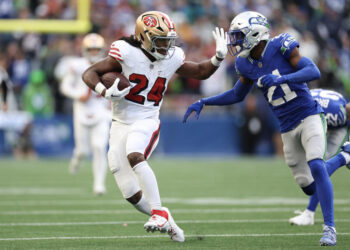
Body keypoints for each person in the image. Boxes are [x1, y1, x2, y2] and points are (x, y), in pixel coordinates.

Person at [183, 11, 341, 246]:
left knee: (316, 164)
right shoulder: (243, 63)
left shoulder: (281, 45)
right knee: (309, 187)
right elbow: (237, 94)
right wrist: (205, 102)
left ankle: (329, 228)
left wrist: (281, 79)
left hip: (309, 114)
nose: (235, 42)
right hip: (286, 126)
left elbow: (313, 71)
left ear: (254, 33)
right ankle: (344, 156)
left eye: (238, 36)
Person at [82, 11, 227, 242]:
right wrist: (105, 91)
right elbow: (89, 73)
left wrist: (218, 58)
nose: (166, 47)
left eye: (169, 41)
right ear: (143, 37)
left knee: (135, 153)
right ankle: (165, 218)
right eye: (160, 41)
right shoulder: (125, 52)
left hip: (147, 119)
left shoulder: (172, 57)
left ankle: (158, 211)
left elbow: (200, 71)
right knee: (129, 191)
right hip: (120, 122)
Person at [289, 88, 350, 226]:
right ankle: (309, 214)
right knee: (318, 168)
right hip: (321, 118)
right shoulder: (302, 103)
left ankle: (309, 213)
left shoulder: (338, 112)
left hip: (333, 123)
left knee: (320, 168)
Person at [59, 33, 111, 195]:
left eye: (97, 50)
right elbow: (65, 86)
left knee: (99, 146)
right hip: (82, 110)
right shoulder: (76, 65)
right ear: (85, 50)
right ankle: (77, 157)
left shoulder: (108, 66)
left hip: (101, 109)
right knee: (83, 150)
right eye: (91, 49)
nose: (94, 53)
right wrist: (77, 95)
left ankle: (99, 184)